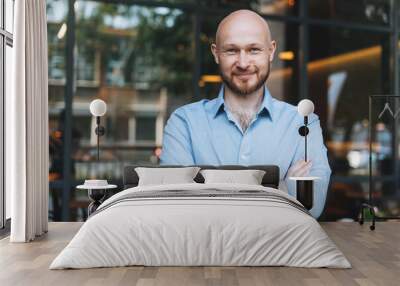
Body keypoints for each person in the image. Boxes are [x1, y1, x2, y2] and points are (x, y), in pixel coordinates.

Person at [160, 9, 331, 219]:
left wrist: (209, 194)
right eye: (232, 50)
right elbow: (177, 205)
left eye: (254, 50)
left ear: (271, 51)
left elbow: (311, 207)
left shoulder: (304, 123)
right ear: (215, 53)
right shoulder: (184, 123)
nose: (242, 63)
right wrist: (283, 189)